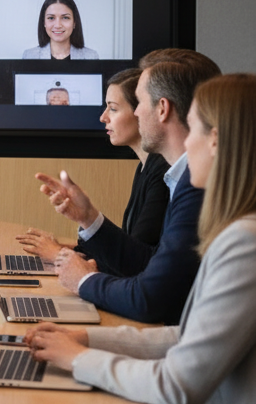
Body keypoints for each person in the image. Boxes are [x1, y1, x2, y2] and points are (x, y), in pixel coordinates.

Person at [19, 73, 256, 404]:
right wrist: (85, 340)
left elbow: (178, 384)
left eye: (193, 130)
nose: (184, 145)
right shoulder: (239, 229)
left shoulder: (245, 243)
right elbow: (183, 337)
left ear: (218, 141)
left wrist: (78, 361)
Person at [30, 54, 221, 324]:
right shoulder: (178, 176)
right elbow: (154, 263)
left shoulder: (196, 184)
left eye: (140, 102)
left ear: (162, 108)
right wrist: (88, 218)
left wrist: (84, 279)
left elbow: (151, 296)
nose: (138, 111)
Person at [18, 68, 170, 260]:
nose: (103, 117)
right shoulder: (145, 167)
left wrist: (59, 255)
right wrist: (69, 251)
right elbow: (130, 248)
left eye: (113, 108)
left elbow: (136, 261)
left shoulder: (163, 171)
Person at [22, 0, 98, 60]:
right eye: (51, 18)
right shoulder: (29, 56)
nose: (58, 25)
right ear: (44, 23)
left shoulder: (91, 56)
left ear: (74, 22)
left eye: (65, 18)